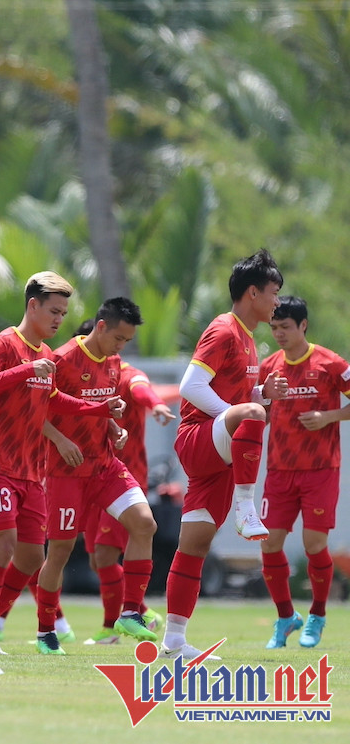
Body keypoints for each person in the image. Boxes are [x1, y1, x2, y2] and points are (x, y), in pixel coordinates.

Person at [0, 271, 124, 656]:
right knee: (2, 546)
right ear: (32, 306)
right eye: (53, 311)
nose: (58, 320)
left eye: (63, 314)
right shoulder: (3, 344)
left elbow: (54, 400)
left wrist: (99, 410)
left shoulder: (46, 355)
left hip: (31, 471)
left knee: (33, 556)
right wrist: (24, 370)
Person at [162, 249, 288, 660]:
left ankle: (173, 642)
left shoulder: (250, 340)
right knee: (250, 413)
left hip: (219, 451)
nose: (277, 302)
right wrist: (241, 414)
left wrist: (259, 398)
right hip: (199, 438)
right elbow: (190, 386)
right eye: (273, 293)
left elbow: (240, 402)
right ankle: (246, 507)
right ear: (252, 293)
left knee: (194, 545)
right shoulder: (223, 329)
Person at [37, 298, 160, 655]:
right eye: (119, 338)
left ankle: (131, 612)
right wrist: (60, 442)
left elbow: (99, 404)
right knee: (59, 551)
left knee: (145, 524)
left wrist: (113, 428)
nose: (121, 347)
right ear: (101, 327)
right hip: (65, 472)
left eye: (127, 342)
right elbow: (35, 410)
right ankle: (47, 632)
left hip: (104, 466)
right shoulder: (60, 360)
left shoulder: (113, 363)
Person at [258, 296, 350, 649]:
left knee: (314, 545)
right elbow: (259, 409)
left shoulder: (330, 363)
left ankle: (317, 615)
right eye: (274, 327)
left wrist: (329, 417)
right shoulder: (269, 367)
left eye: (285, 327)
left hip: (320, 470)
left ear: (303, 326)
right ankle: (285, 618)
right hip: (279, 471)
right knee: (268, 544)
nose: (279, 333)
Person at [82, 320, 175, 645]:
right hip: (88, 477)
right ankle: (143, 612)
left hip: (121, 477)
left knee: (107, 557)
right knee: (97, 559)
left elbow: (140, 387)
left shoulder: (122, 371)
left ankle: (114, 625)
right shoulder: (80, 373)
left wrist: (156, 404)